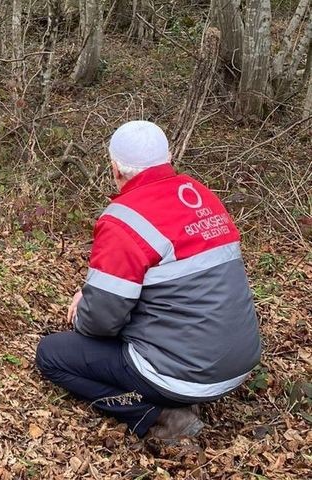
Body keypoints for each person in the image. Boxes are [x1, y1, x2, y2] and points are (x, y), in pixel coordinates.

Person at [35, 120, 261, 441]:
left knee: (51, 355)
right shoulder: (202, 195)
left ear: (114, 168)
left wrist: (84, 309)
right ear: (168, 157)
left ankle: (158, 415)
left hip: (184, 375)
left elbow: (100, 323)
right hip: (240, 364)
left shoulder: (123, 219)